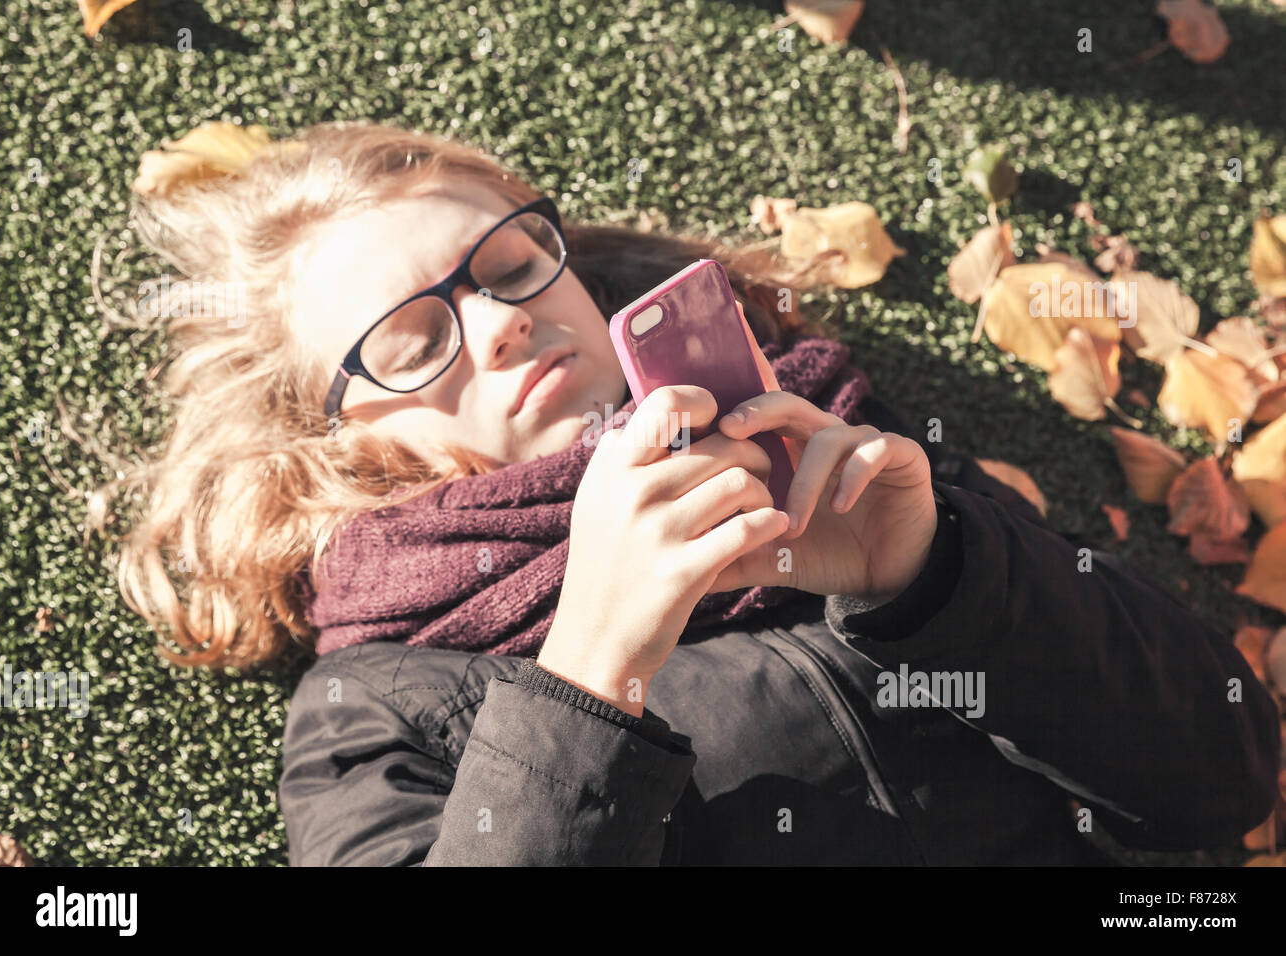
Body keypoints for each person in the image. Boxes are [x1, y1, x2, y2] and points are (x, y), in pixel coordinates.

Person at [89, 120, 1280, 866]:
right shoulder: (377, 704)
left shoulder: (842, 448)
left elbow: (1221, 777)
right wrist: (591, 672)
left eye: (512, 267)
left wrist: (937, 584)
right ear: (343, 444)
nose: (504, 323)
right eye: (411, 340)